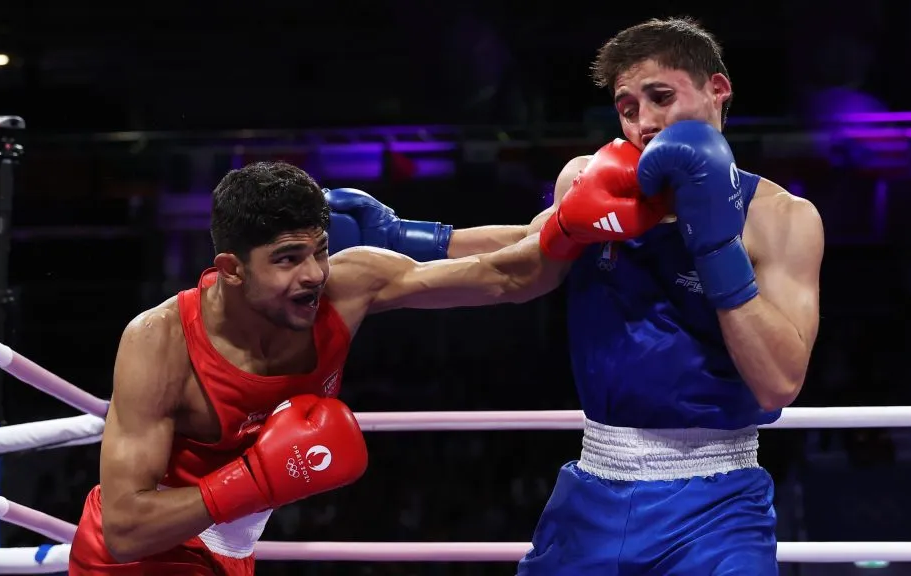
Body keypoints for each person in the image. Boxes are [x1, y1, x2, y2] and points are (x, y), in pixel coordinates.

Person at [328, 17, 824, 575]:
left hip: (718, 504)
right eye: (628, 107)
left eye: (661, 97)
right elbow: (524, 257)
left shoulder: (783, 219)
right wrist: (401, 242)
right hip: (594, 493)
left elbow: (778, 382)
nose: (645, 123)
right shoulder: (593, 183)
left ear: (717, 90)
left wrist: (714, 243)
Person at [68, 159, 652, 574]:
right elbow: (124, 530)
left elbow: (509, 275)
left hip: (230, 550)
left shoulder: (349, 285)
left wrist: (577, 216)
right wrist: (258, 478)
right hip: (141, 560)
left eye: (319, 250)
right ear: (232, 268)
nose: (314, 274)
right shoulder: (160, 341)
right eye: (288, 259)